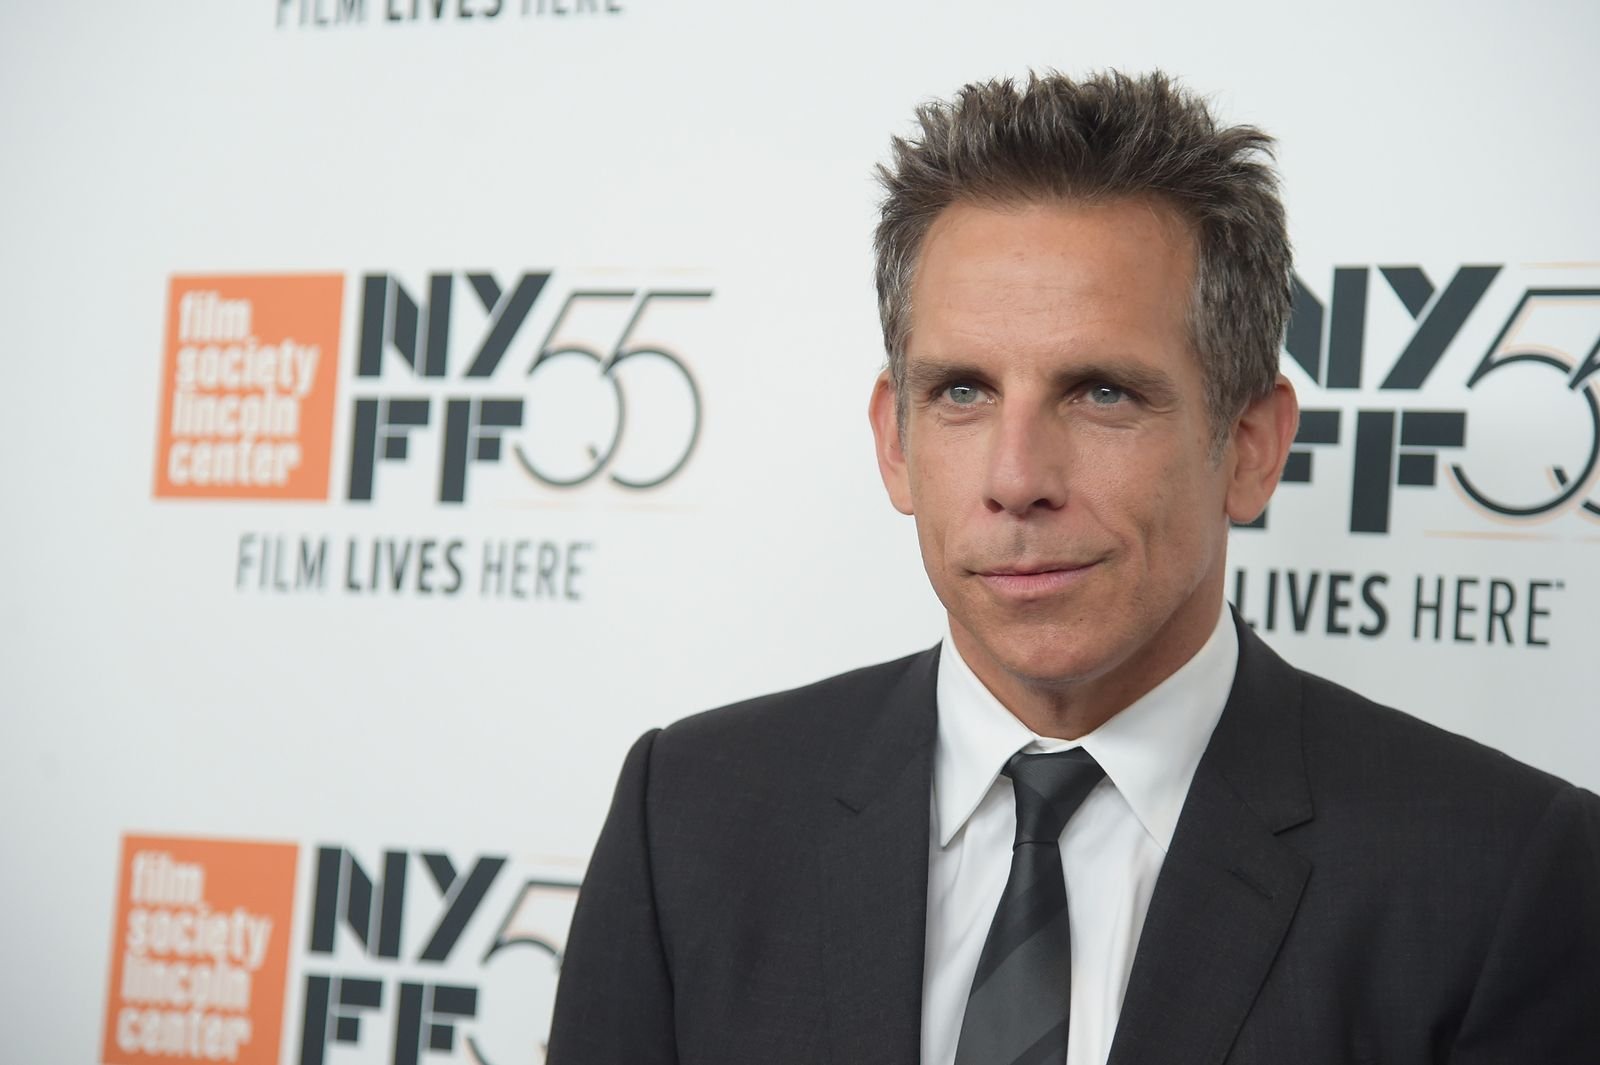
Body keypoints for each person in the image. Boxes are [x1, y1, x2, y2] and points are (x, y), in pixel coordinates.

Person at [545, 70, 1600, 1065]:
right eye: (960, 392)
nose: (1016, 479)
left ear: (1248, 445)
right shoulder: (685, 815)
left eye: (1100, 393)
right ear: (895, 442)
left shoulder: (1505, 879)